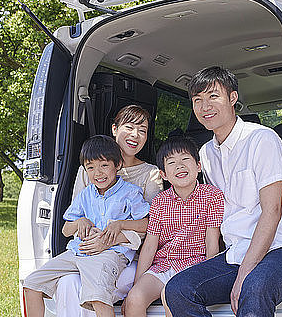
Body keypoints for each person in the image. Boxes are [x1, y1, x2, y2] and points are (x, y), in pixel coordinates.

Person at [164, 66, 282, 317]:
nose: (204, 106)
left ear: (232, 98)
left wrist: (244, 273)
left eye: (213, 96)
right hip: (237, 252)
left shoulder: (262, 139)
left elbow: (272, 211)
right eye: (197, 100)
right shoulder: (206, 154)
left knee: (253, 287)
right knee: (177, 289)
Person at [23, 135, 150, 317]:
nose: (98, 173)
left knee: (98, 297)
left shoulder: (130, 193)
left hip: (108, 254)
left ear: (118, 165)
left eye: (104, 165)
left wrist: (120, 224)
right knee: (31, 283)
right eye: (91, 168)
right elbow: (65, 230)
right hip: (77, 252)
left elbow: (146, 224)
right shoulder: (85, 195)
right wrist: (79, 222)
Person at [55, 105, 164, 317]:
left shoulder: (149, 174)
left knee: (97, 288)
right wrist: (90, 236)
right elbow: (76, 219)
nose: (135, 135)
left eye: (142, 130)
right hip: (88, 250)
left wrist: (113, 237)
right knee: (67, 283)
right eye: (129, 127)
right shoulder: (87, 170)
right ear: (114, 129)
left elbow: (152, 225)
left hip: (126, 256)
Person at [123, 135, 224, 317]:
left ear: (198, 166)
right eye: (171, 163)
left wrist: (209, 275)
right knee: (135, 298)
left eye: (185, 159)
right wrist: (136, 285)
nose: (179, 166)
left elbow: (212, 241)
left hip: (195, 265)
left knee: (172, 295)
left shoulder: (212, 196)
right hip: (163, 265)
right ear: (163, 174)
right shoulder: (160, 201)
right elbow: (150, 246)